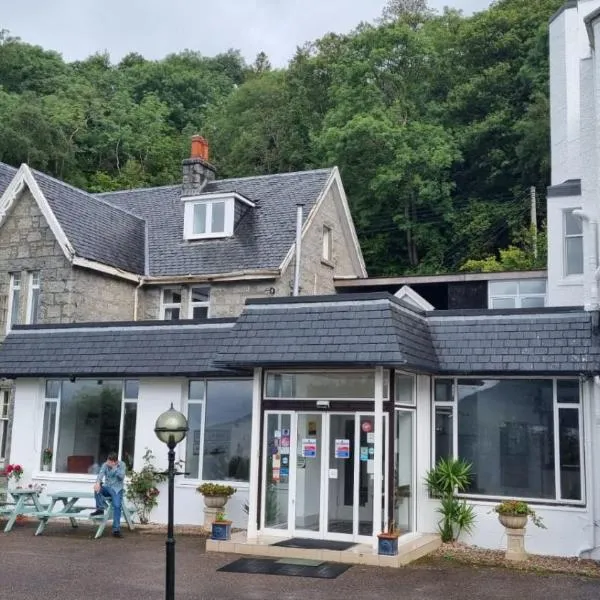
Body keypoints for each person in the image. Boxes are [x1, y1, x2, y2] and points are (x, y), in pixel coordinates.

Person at [91, 451, 126, 538]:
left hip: (117, 489)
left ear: (114, 462)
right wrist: (98, 483)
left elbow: (121, 477)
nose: (107, 462)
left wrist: (114, 468)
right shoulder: (105, 464)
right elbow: (100, 474)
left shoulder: (122, 465)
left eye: (109, 461)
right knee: (97, 489)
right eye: (107, 460)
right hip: (107, 487)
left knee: (117, 506)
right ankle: (100, 508)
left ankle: (116, 530)